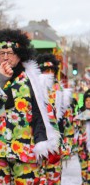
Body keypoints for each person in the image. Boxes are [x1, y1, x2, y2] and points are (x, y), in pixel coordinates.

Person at [0, 29, 60, 184]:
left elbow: (45, 114)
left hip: (25, 151)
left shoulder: (33, 81)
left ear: (20, 54)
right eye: (2, 52)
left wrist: (47, 143)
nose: (6, 57)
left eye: (10, 53)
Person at [36, 53, 72, 184]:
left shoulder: (62, 92)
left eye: (52, 70)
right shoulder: (34, 89)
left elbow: (67, 119)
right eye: (46, 71)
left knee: (54, 178)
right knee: (38, 179)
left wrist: (67, 143)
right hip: (38, 140)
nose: (49, 74)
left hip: (56, 142)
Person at [76, 90, 90, 184]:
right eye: (87, 100)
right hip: (83, 147)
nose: (88, 102)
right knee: (84, 169)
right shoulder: (81, 115)